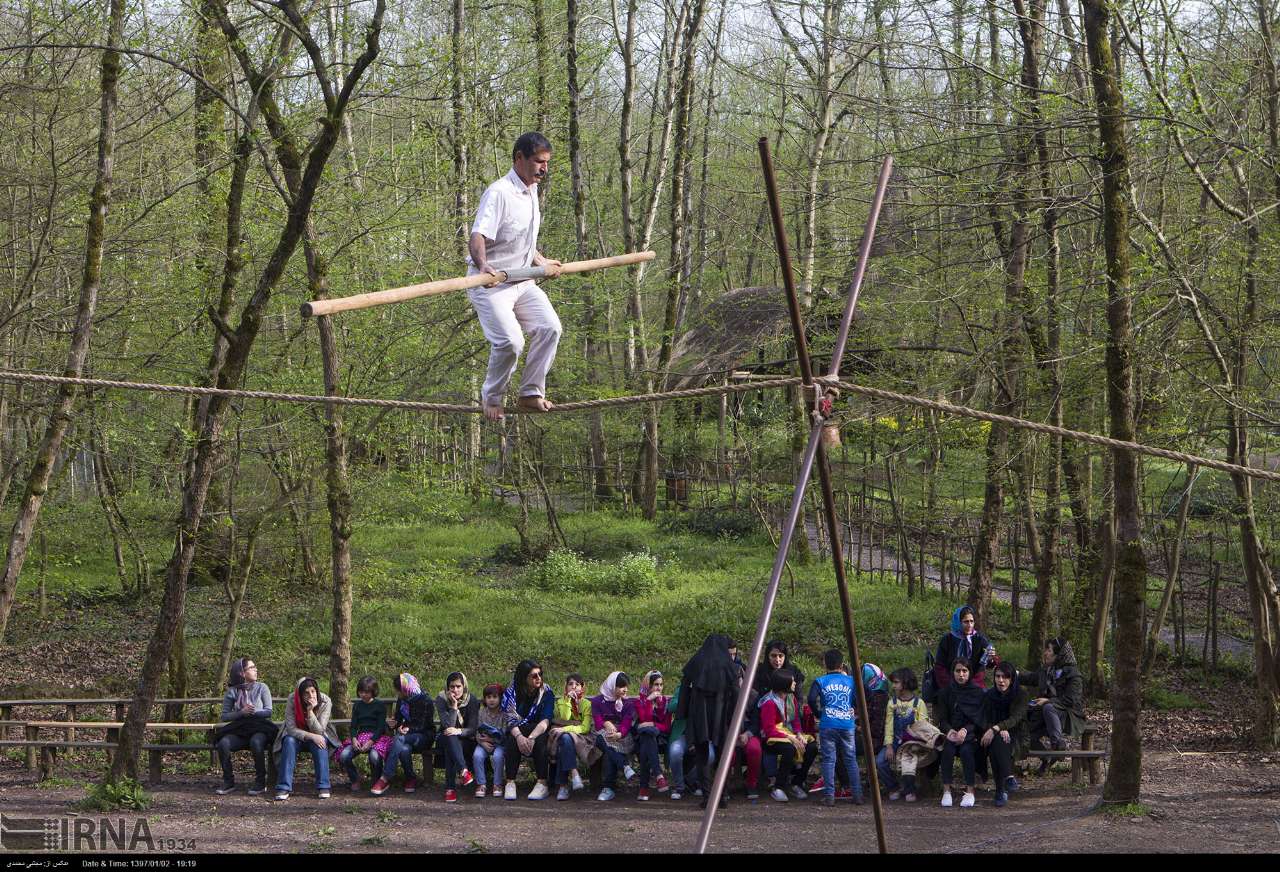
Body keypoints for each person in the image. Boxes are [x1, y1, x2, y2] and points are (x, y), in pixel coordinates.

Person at [467, 132, 564, 421]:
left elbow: (521, 238)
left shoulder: (532, 189)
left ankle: (531, 393)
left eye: (546, 162)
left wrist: (540, 260)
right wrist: (484, 266)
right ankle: (492, 398)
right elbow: (478, 235)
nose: (543, 168)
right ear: (519, 158)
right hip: (491, 284)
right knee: (511, 342)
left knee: (550, 328)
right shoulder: (499, 192)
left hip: (523, 280)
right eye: (538, 162)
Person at [676, 634, 739, 810]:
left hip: (699, 714)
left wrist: (682, 714)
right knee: (723, 755)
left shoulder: (696, 662)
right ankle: (722, 795)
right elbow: (736, 694)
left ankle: (707, 795)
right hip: (722, 715)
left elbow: (684, 689)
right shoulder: (728, 666)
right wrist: (739, 721)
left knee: (702, 755)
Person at [809, 649, 864, 808]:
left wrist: (819, 713)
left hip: (828, 724)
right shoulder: (852, 681)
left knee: (828, 760)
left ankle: (829, 796)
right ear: (842, 664)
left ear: (824, 663)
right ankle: (857, 795)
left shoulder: (820, 681)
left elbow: (812, 699)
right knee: (850, 759)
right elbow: (858, 699)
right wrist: (852, 710)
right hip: (847, 725)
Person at [214, 657, 276, 796]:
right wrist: (241, 712)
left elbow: (268, 711)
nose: (256, 669)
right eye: (252, 668)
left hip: (259, 727)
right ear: (242, 673)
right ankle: (228, 781)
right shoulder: (233, 691)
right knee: (223, 743)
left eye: (255, 667)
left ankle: (260, 781)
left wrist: (254, 711)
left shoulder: (262, 687)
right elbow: (225, 716)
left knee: (256, 742)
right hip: (240, 729)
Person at [273, 677, 340, 801]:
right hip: (296, 735)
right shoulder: (292, 699)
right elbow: (291, 728)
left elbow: (320, 730)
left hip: (316, 734)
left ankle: (323, 786)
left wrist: (310, 712)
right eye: (306, 693)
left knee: (321, 742)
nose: (311, 695)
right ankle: (284, 786)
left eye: (313, 691)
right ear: (300, 693)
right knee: (288, 741)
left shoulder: (325, 701)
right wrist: (311, 736)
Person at [371, 673, 435, 796]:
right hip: (406, 737)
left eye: (399, 691)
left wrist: (407, 730)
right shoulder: (403, 699)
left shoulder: (425, 700)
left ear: (406, 689)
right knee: (404, 749)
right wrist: (393, 724)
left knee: (399, 740)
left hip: (424, 736)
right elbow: (398, 719)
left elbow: (424, 725)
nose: (398, 694)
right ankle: (411, 778)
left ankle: (385, 777)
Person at [877, 667, 935, 803]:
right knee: (880, 762)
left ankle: (909, 789)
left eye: (896, 682)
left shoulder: (918, 703)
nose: (894, 685)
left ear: (906, 683)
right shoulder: (892, 703)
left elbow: (923, 725)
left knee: (908, 761)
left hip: (912, 743)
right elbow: (889, 725)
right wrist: (889, 745)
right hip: (896, 741)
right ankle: (894, 787)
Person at [501, 659, 556, 800]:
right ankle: (510, 782)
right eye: (534, 675)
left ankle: (542, 783)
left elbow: (545, 720)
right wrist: (520, 737)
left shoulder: (547, 692)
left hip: (538, 730)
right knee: (513, 738)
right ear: (523, 678)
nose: (539, 678)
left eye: (540, 674)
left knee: (541, 739)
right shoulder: (512, 693)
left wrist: (531, 738)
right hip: (517, 730)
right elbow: (510, 720)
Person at [1023, 637, 1086, 758]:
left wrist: (1048, 701)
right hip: (1043, 713)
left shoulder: (1073, 674)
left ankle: (1057, 744)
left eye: (1049, 650)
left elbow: (1071, 700)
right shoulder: (1047, 670)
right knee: (1025, 733)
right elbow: (1030, 678)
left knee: (1048, 707)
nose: (1045, 653)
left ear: (1059, 655)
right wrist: (1011, 673)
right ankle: (1046, 759)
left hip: (1068, 715)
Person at [937, 660, 986, 808]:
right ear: (953, 672)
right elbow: (943, 719)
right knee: (947, 750)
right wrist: (950, 730)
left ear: (970, 673)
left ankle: (970, 790)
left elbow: (979, 719)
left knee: (966, 751)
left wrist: (966, 730)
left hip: (971, 735)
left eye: (964, 671)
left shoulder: (977, 692)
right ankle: (946, 790)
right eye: (958, 671)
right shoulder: (946, 692)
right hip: (952, 733)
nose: (961, 674)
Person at [759, 669, 813, 802]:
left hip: (789, 733)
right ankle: (779, 787)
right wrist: (791, 738)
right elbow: (769, 729)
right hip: (771, 738)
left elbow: (795, 721)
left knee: (811, 747)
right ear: (784, 684)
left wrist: (799, 734)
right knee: (789, 749)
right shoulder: (769, 702)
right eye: (792, 681)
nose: (795, 683)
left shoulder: (791, 698)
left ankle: (797, 782)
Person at [981, 661, 1029, 806]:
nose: (1001, 680)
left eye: (1005, 677)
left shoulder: (1021, 694)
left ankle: (1000, 791)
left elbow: (1016, 718)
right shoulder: (989, 695)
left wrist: (997, 728)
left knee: (997, 743)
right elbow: (985, 719)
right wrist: (996, 729)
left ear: (1012, 678)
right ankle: (1008, 778)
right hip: (995, 735)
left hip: (1017, 735)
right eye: (998, 676)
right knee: (996, 742)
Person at [336, 675, 392, 791]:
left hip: (377, 737)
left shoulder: (379, 706)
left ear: (373, 692)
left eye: (367, 692)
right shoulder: (357, 706)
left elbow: (381, 727)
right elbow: (353, 726)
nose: (364, 695)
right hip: (361, 737)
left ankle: (377, 781)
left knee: (374, 757)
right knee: (344, 755)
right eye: (361, 692)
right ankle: (355, 779)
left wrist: (371, 742)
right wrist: (354, 739)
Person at [549, 673, 597, 800]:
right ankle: (574, 774)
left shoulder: (586, 704)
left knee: (565, 739)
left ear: (582, 687)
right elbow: (564, 718)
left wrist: (565, 729)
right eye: (570, 684)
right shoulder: (560, 702)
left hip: (581, 737)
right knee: (565, 741)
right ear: (566, 687)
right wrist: (568, 702)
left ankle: (563, 786)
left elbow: (585, 728)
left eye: (577, 684)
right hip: (562, 736)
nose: (574, 687)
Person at [591, 671, 637, 801]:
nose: (625, 690)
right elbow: (598, 722)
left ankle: (608, 788)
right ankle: (624, 766)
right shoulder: (598, 701)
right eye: (621, 687)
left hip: (621, 736)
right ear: (612, 686)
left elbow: (627, 724)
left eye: (626, 686)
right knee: (603, 740)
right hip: (601, 733)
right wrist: (606, 723)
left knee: (609, 750)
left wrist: (619, 734)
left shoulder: (627, 704)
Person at [436, 671, 480, 802]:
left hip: (465, 739)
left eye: (458, 686)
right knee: (450, 737)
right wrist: (454, 707)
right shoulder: (442, 699)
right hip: (444, 737)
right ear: (447, 687)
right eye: (452, 687)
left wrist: (459, 731)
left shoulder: (471, 700)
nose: (455, 690)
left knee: (452, 745)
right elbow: (446, 725)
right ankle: (463, 771)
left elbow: (472, 729)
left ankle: (450, 788)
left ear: (464, 686)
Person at [933, 605, 995, 693]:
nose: (969, 625)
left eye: (972, 621)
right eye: (966, 622)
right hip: (950, 684)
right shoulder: (947, 639)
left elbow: (985, 666)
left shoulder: (979, 639)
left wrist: (991, 659)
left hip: (975, 684)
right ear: (958, 622)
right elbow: (939, 666)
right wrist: (950, 685)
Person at [632, 670, 672, 796]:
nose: (658, 688)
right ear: (648, 686)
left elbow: (666, 727)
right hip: (642, 738)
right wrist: (649, 701)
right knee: (647, 735)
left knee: (648, 735)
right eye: (655, 684)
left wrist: (652, 724)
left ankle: (644, 787)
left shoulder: (665, 702)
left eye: (661, 685)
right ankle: (659, 776)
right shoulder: (640, 702)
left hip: (661, 739)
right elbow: (644, 719)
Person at [473, 683, 509, 797]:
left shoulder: (504, 713)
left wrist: (492, 739)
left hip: (499, 744)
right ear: (485, 699)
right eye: (488, 697)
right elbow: (477, 731)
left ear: (500, 698)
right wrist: (482, 742)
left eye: (495, 697)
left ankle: (497, 784)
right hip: (483, 743)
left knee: (498, 756)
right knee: (477, 755)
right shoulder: (481, 712)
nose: (491, 700)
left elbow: (505, 733)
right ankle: (481, 784)